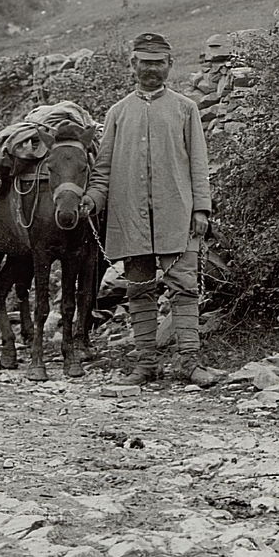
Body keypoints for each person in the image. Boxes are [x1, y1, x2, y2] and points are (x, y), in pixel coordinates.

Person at [84, 31, 211, 385]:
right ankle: (146, 365)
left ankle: (189, 362)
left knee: (185, 287)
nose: (151, 69)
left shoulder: (186, 109)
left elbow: (198, 165)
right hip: (131, 218)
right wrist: (92, 199)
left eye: (158, 63)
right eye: (145, 63)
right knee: (139, 289)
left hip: (178, 214)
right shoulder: (117, 113)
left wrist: (201, 209)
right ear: (133, 65)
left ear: (170, 65)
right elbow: (103, 169)